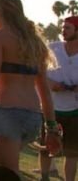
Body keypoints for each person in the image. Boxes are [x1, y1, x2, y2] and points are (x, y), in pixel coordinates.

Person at [0, 0, 61, 176]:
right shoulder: (34, 42)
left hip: (7, 114)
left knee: (9, 173)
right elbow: (44, 91)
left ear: (2, 12)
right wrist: (51, 126)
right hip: (32, 118)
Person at [42, 15, 78, 181]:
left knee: (72, 151)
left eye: (68, 28)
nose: (63, 31)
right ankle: (44, 177)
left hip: (75, 109)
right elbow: (39, 74)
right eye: (63, 27)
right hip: (52, 107)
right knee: (47, 147)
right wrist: (53, 85)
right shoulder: (52, 48)